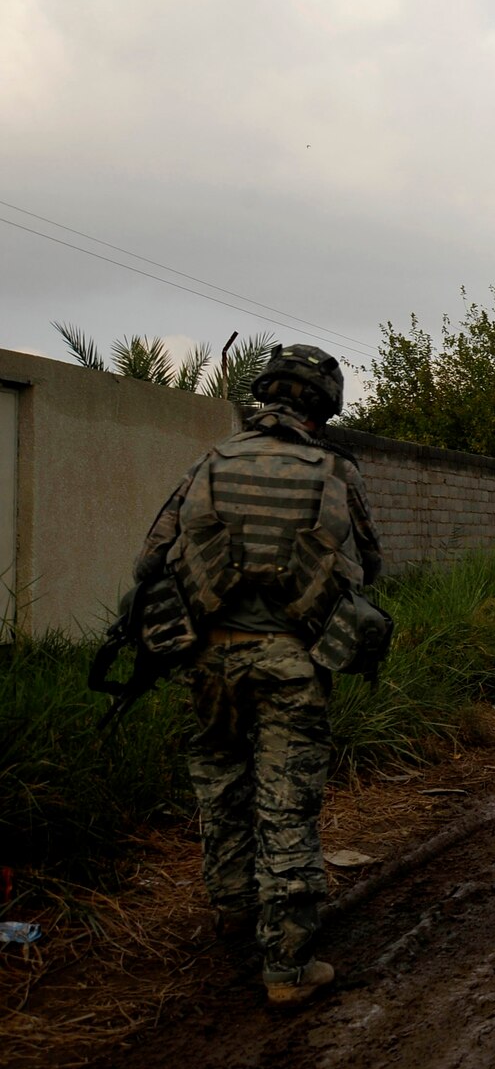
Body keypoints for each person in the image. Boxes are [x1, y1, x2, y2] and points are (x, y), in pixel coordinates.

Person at [131, 344, 384, 1007]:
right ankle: (287, 965)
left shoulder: (212, 461)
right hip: (291, 662)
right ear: (325, 404)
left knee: (220, 782)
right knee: (286, 805)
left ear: (267, 391)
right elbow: (373, 562)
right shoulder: (334, 469)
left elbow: (151, 558)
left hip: (209, 656)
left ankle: (234, 913)